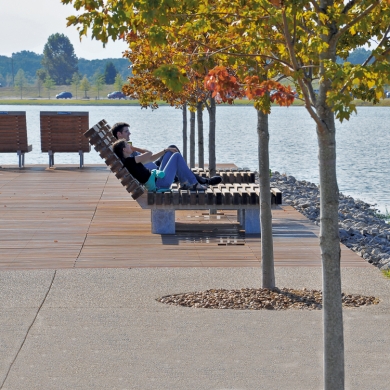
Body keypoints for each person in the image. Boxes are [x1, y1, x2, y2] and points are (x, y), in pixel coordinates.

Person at [111, 122, 222, 185]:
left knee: (171, 149)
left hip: (155, 172)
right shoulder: (125, 151)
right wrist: (134, 148)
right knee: (175, 156)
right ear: (119, 134)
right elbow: (148, 157)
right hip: (157, 174)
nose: (129, 133)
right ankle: (200, 181)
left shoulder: (125, 150)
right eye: (126, 131)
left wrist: (165, 150)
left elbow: (148, 158)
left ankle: (193, 180)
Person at [112, 139, 207, 192]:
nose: (130, 146)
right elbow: (149, 153)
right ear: (124, 149)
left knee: (170, 153)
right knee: (177, 155)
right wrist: (135, 148)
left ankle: (185, 184)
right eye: (127, 145)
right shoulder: (131, 161)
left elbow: (151, 158)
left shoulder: (131, 161)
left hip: (157, 180)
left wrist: (165, 150)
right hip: (160, 184)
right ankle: (194, 183)